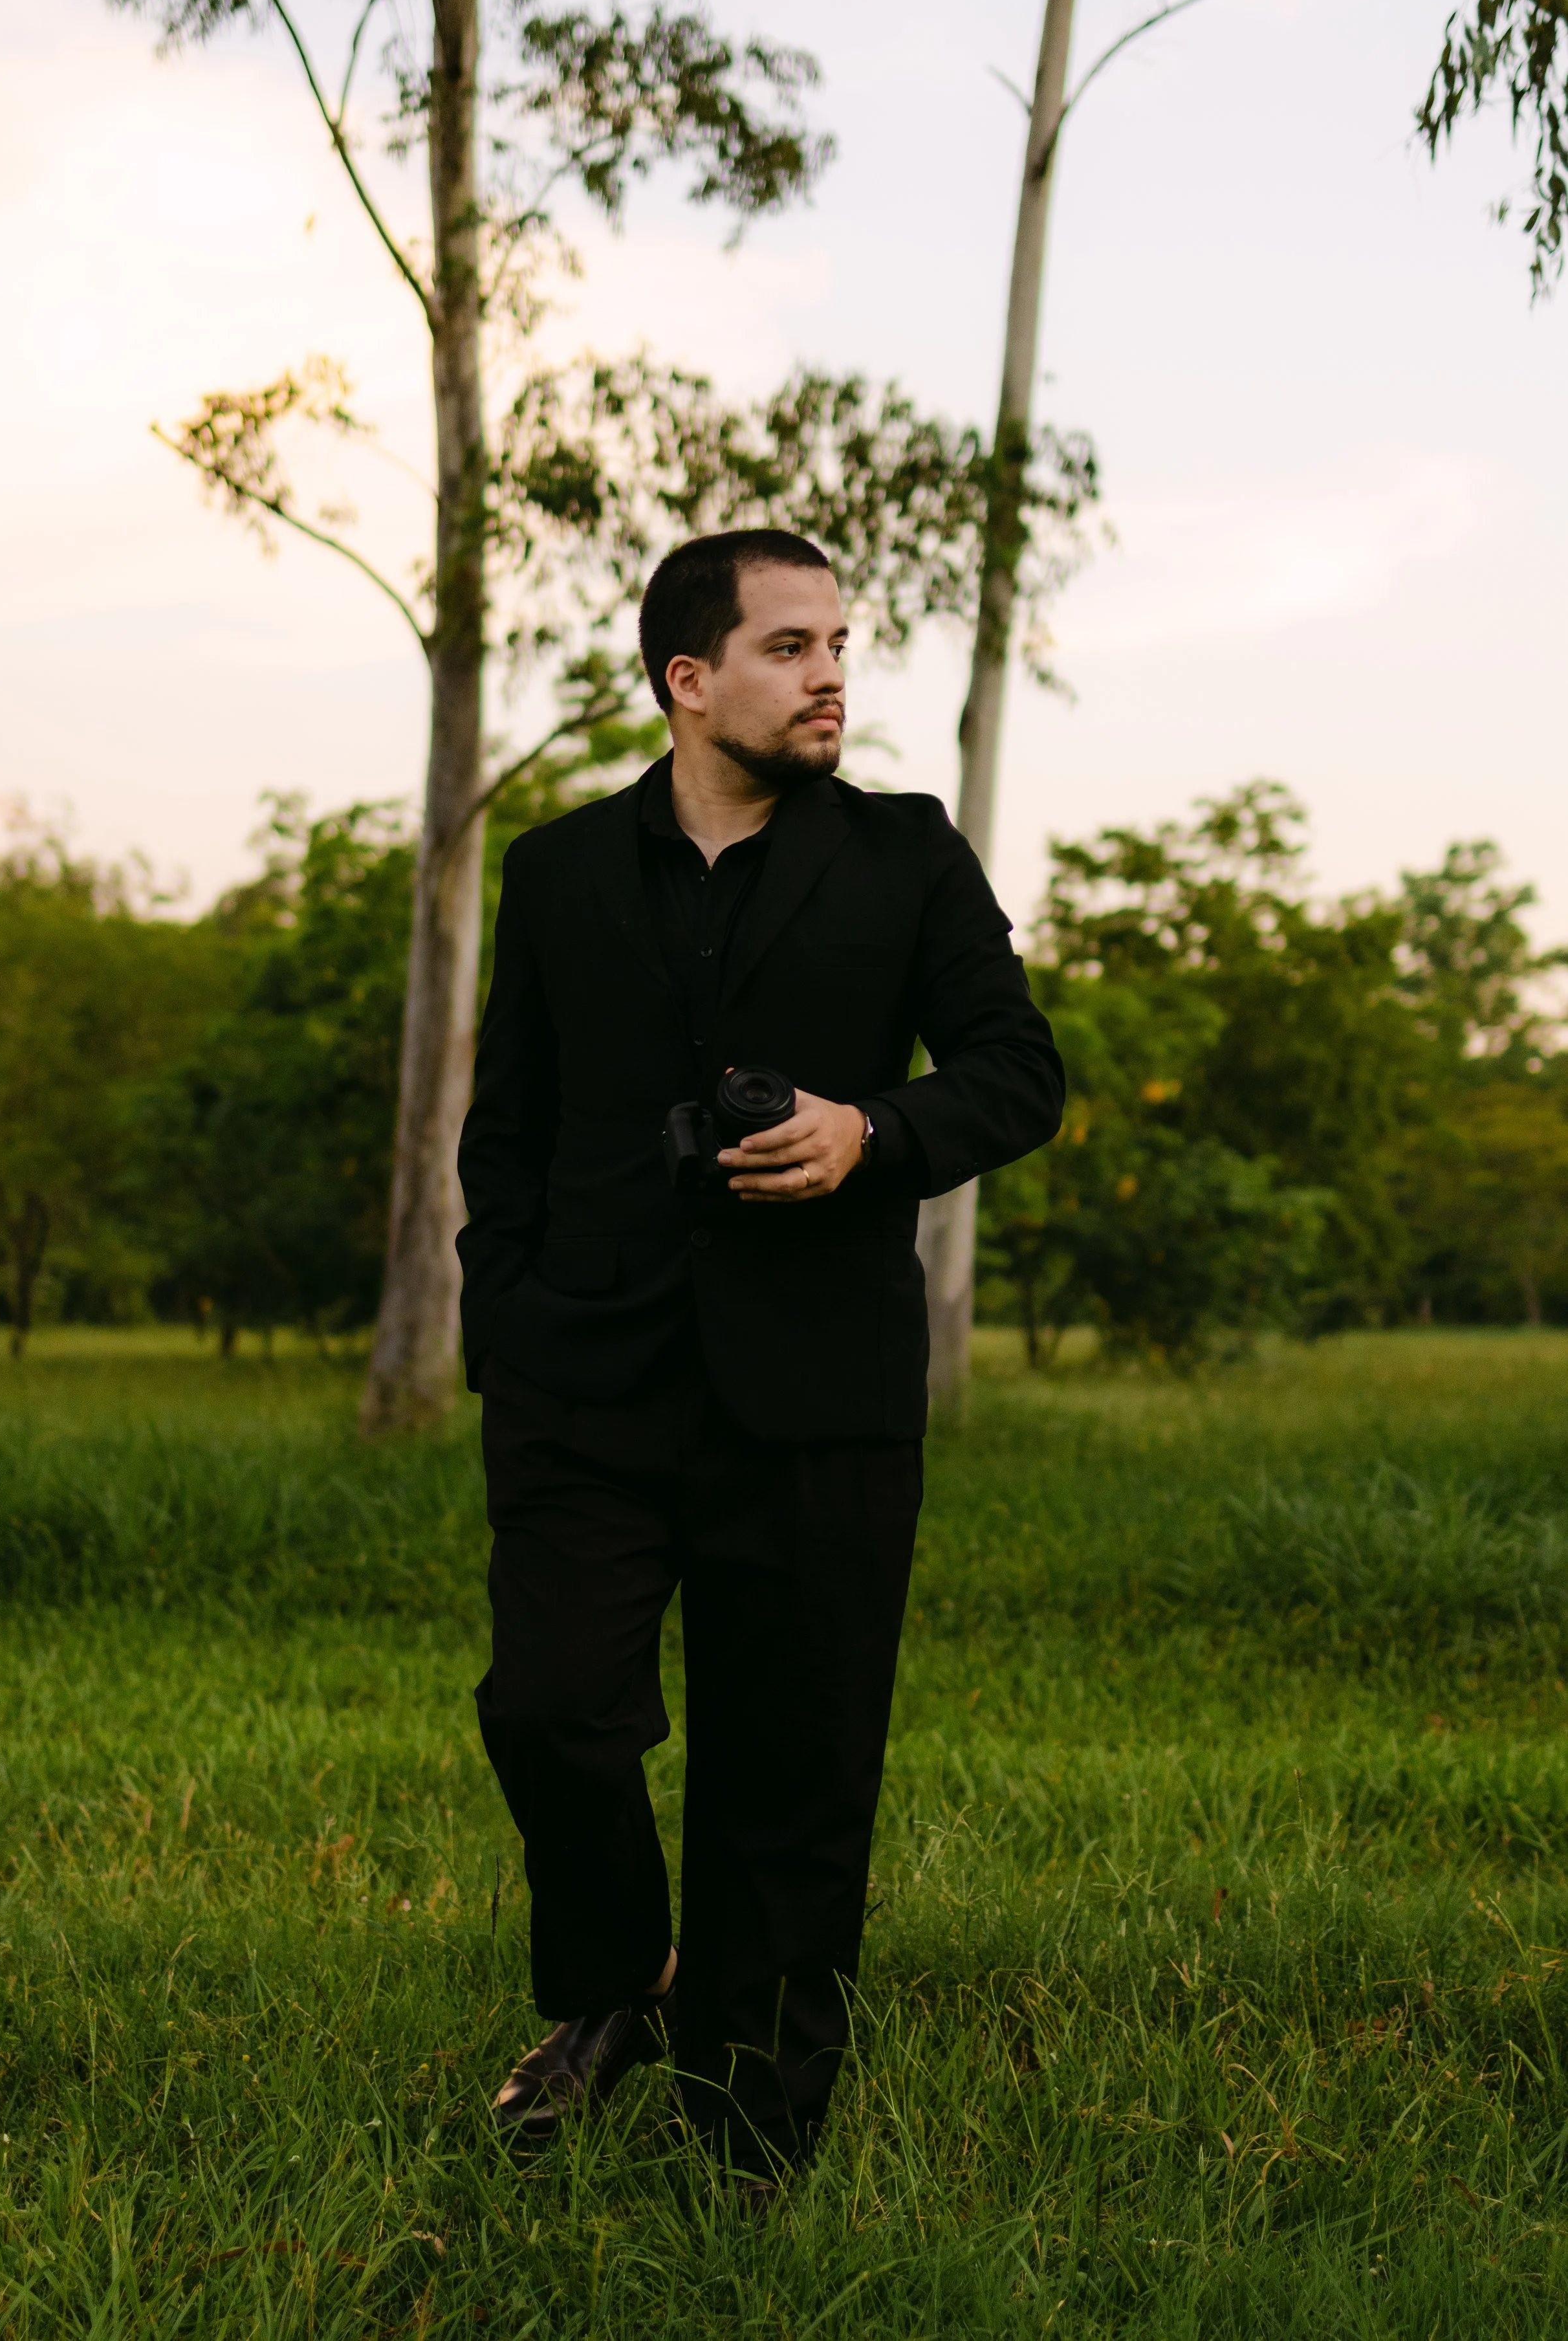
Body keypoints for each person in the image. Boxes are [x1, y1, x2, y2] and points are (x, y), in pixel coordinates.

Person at [457, 527, 1063, 2192]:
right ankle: (616, 1981)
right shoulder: (560, 870)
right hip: (582, 1377)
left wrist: (873, 1129)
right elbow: (503, 1131)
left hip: (820, 1393)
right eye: (790, 647)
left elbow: (1019, 1072)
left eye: (840, 645)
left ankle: (752, 2138)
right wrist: (497, 1324)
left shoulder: (904, 855)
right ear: (687, 678)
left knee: (791, 1767)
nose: (829, 677)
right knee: (550, 1712)